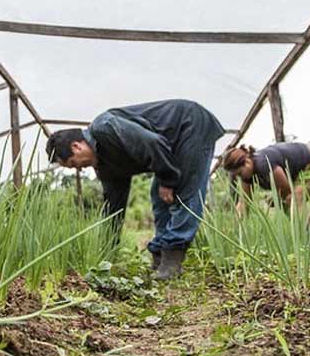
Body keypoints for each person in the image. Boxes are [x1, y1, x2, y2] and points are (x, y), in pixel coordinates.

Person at [46, 99, 225, 280]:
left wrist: (168, 180)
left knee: (185, 193)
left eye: (72, 164)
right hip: (168, 148)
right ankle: (159, 257)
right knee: (159, 197)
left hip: (189, 124)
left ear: (76, 147)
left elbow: (153, 143)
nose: (78, 168)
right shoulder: (105, 167)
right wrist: (106, 252)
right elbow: (113, 209)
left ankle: (172, 262)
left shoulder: (105, 127)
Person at [221, 141, 310, 215]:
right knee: (285, 203)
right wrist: (238, 230)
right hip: (303, 170)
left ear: (247, 162)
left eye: (240, 173)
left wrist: (276, 198)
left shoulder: (263, 163)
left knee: (294, 198)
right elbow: (244, 202)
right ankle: (300, 236)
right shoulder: (247, 175)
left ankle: (308, 240)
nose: (241, 177)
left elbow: (287, 191)